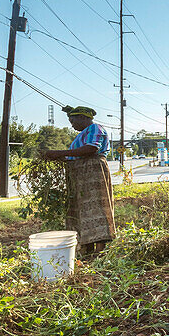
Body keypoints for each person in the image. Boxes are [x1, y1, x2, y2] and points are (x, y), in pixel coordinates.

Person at [41, 106, 115, 256]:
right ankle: (86, 246)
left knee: (96, 206)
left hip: (92, 171)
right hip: (80, 174)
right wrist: (59, 157)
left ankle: (99, 250)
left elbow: (91, 149)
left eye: (73, 120)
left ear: (83, 118)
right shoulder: (82, 134)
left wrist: (60, 153)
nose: (72, 124)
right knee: (81, 209)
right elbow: (76, 154)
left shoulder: (95, 128)